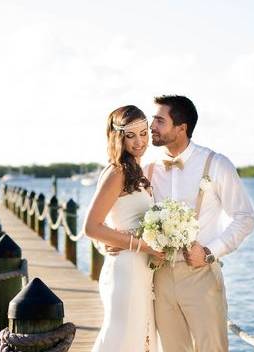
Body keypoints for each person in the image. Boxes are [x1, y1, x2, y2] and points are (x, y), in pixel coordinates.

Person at [146, 95, 254, 352]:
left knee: (211, 348)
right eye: (153, 120)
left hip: (200, 275)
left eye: (160, 121)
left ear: (181, 128)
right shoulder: (149, 168)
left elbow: (245, 217)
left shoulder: (216, 164)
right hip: (160, 276)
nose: (152, 126)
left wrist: (209, 252)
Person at [85, 105, 164, 352]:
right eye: (131, 135)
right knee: (121, 338)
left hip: (142, 267)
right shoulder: (117, 171)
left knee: (141, 338)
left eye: (143, 133)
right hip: (127, 268)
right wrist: (144, 245)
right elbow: (91, 226)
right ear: (118, 136)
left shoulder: (136, 171)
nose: (139, 141)